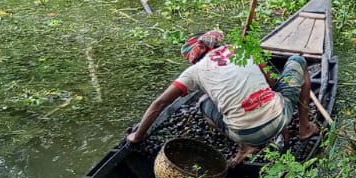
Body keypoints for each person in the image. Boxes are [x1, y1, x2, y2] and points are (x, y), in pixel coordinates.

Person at [126, 29, 319, 168]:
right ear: (215, 44)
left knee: (203, 103)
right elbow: (273, 81)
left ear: (192, 58)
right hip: (280, 116)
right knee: (298, 60)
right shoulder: (241, 48)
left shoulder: (194, 72)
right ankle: (304, 128)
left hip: (243, 133)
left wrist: (137, 136)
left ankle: (246, 146)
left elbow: (160, 103)